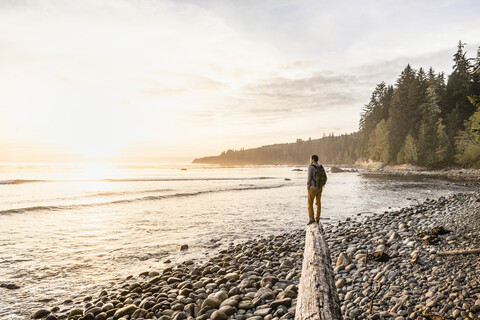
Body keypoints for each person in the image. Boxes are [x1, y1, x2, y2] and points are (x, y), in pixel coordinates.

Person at [307, 154, 324, 225]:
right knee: (318, 203)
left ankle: (311, 219)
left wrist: (308, 185)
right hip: (320, 187)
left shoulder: (311, 167)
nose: (310, 160)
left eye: (310, 159)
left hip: (313, 188)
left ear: (313, 159)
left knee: (310, 203)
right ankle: (317, 218)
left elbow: (309, 177)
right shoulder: (320, 166)